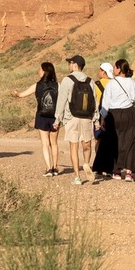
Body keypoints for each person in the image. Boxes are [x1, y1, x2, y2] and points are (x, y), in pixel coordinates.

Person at [55, 56, 98, 184]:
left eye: (70, 63)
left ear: (75, 65)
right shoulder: (90, 81)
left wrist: (57, 119)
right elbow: (94, 102)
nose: (69, 65)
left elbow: (61, 101)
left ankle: (77, 177)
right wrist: (96, 120)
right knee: (87, 145)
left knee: (74, 147)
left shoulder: (67, 80)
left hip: (72, 117)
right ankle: (86, 163)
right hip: (87, 118)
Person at [100, 59, 135, 181]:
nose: (113, 70)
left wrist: (102, 117)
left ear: (119, 69)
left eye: (115, 67)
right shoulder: (133, 83)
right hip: (129, 114)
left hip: (113, 114)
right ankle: (129, 172)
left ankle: (117, 171)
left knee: (115, 142)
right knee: (130, 142)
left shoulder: (111, 83)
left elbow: (106, 101)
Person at [17, 62, 62, 175]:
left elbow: (22, 95)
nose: (38, 71)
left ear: (44, 71)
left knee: (45, 144)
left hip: (41, 116)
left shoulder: (37, 85)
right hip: (55, 117)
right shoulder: (58, 85)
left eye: (40, 69)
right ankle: (55, 167)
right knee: (54, 143)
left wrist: (16, 94)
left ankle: (48, 168)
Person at [91, 63, 121, 180]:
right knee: (112, 142)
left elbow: (94, 101)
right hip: (113, 115)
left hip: (100, 115)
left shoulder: (96, 84)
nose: (98, 72)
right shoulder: (115, 83)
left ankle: (100, 166)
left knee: (99, 141)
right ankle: (111, 167)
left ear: (103, 72)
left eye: (100, 70)